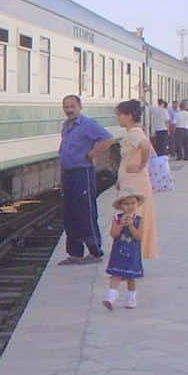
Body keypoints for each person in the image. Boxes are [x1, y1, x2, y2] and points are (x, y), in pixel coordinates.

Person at [58, 95, 117, 264]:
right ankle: (74, 253)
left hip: (82, 172)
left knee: (85, 212)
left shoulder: (87, 124)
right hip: (68, 173)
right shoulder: (66, 126)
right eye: (66, 106)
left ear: (79, 107)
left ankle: (95, 252)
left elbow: (108, 139)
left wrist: (92, 154)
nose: (69, 109)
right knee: (70, 215)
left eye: (72, 106)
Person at [112, 99, 158, 259]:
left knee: (133, 218)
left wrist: (140, 167)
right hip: (132, 181)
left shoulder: (134, 134)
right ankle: (133, 255)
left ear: (129, 116)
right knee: (133, 217)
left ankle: (132, 256)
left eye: (119, 115)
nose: (118, 118)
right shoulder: (133, 133)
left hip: (136, 183)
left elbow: (146, 148)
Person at [102, 193, 145, 310]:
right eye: (126, 204)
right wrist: (121, 224)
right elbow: (113, 234)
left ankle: (131, 299)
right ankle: (110, 298)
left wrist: (131, 226)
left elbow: (139, 237)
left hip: (132, 253)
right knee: (115, 274)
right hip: (118, 251)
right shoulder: (117, 218)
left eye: (133, 203)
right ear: (121, 206)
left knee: (130, 277)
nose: (130, 206)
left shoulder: (139, 220)